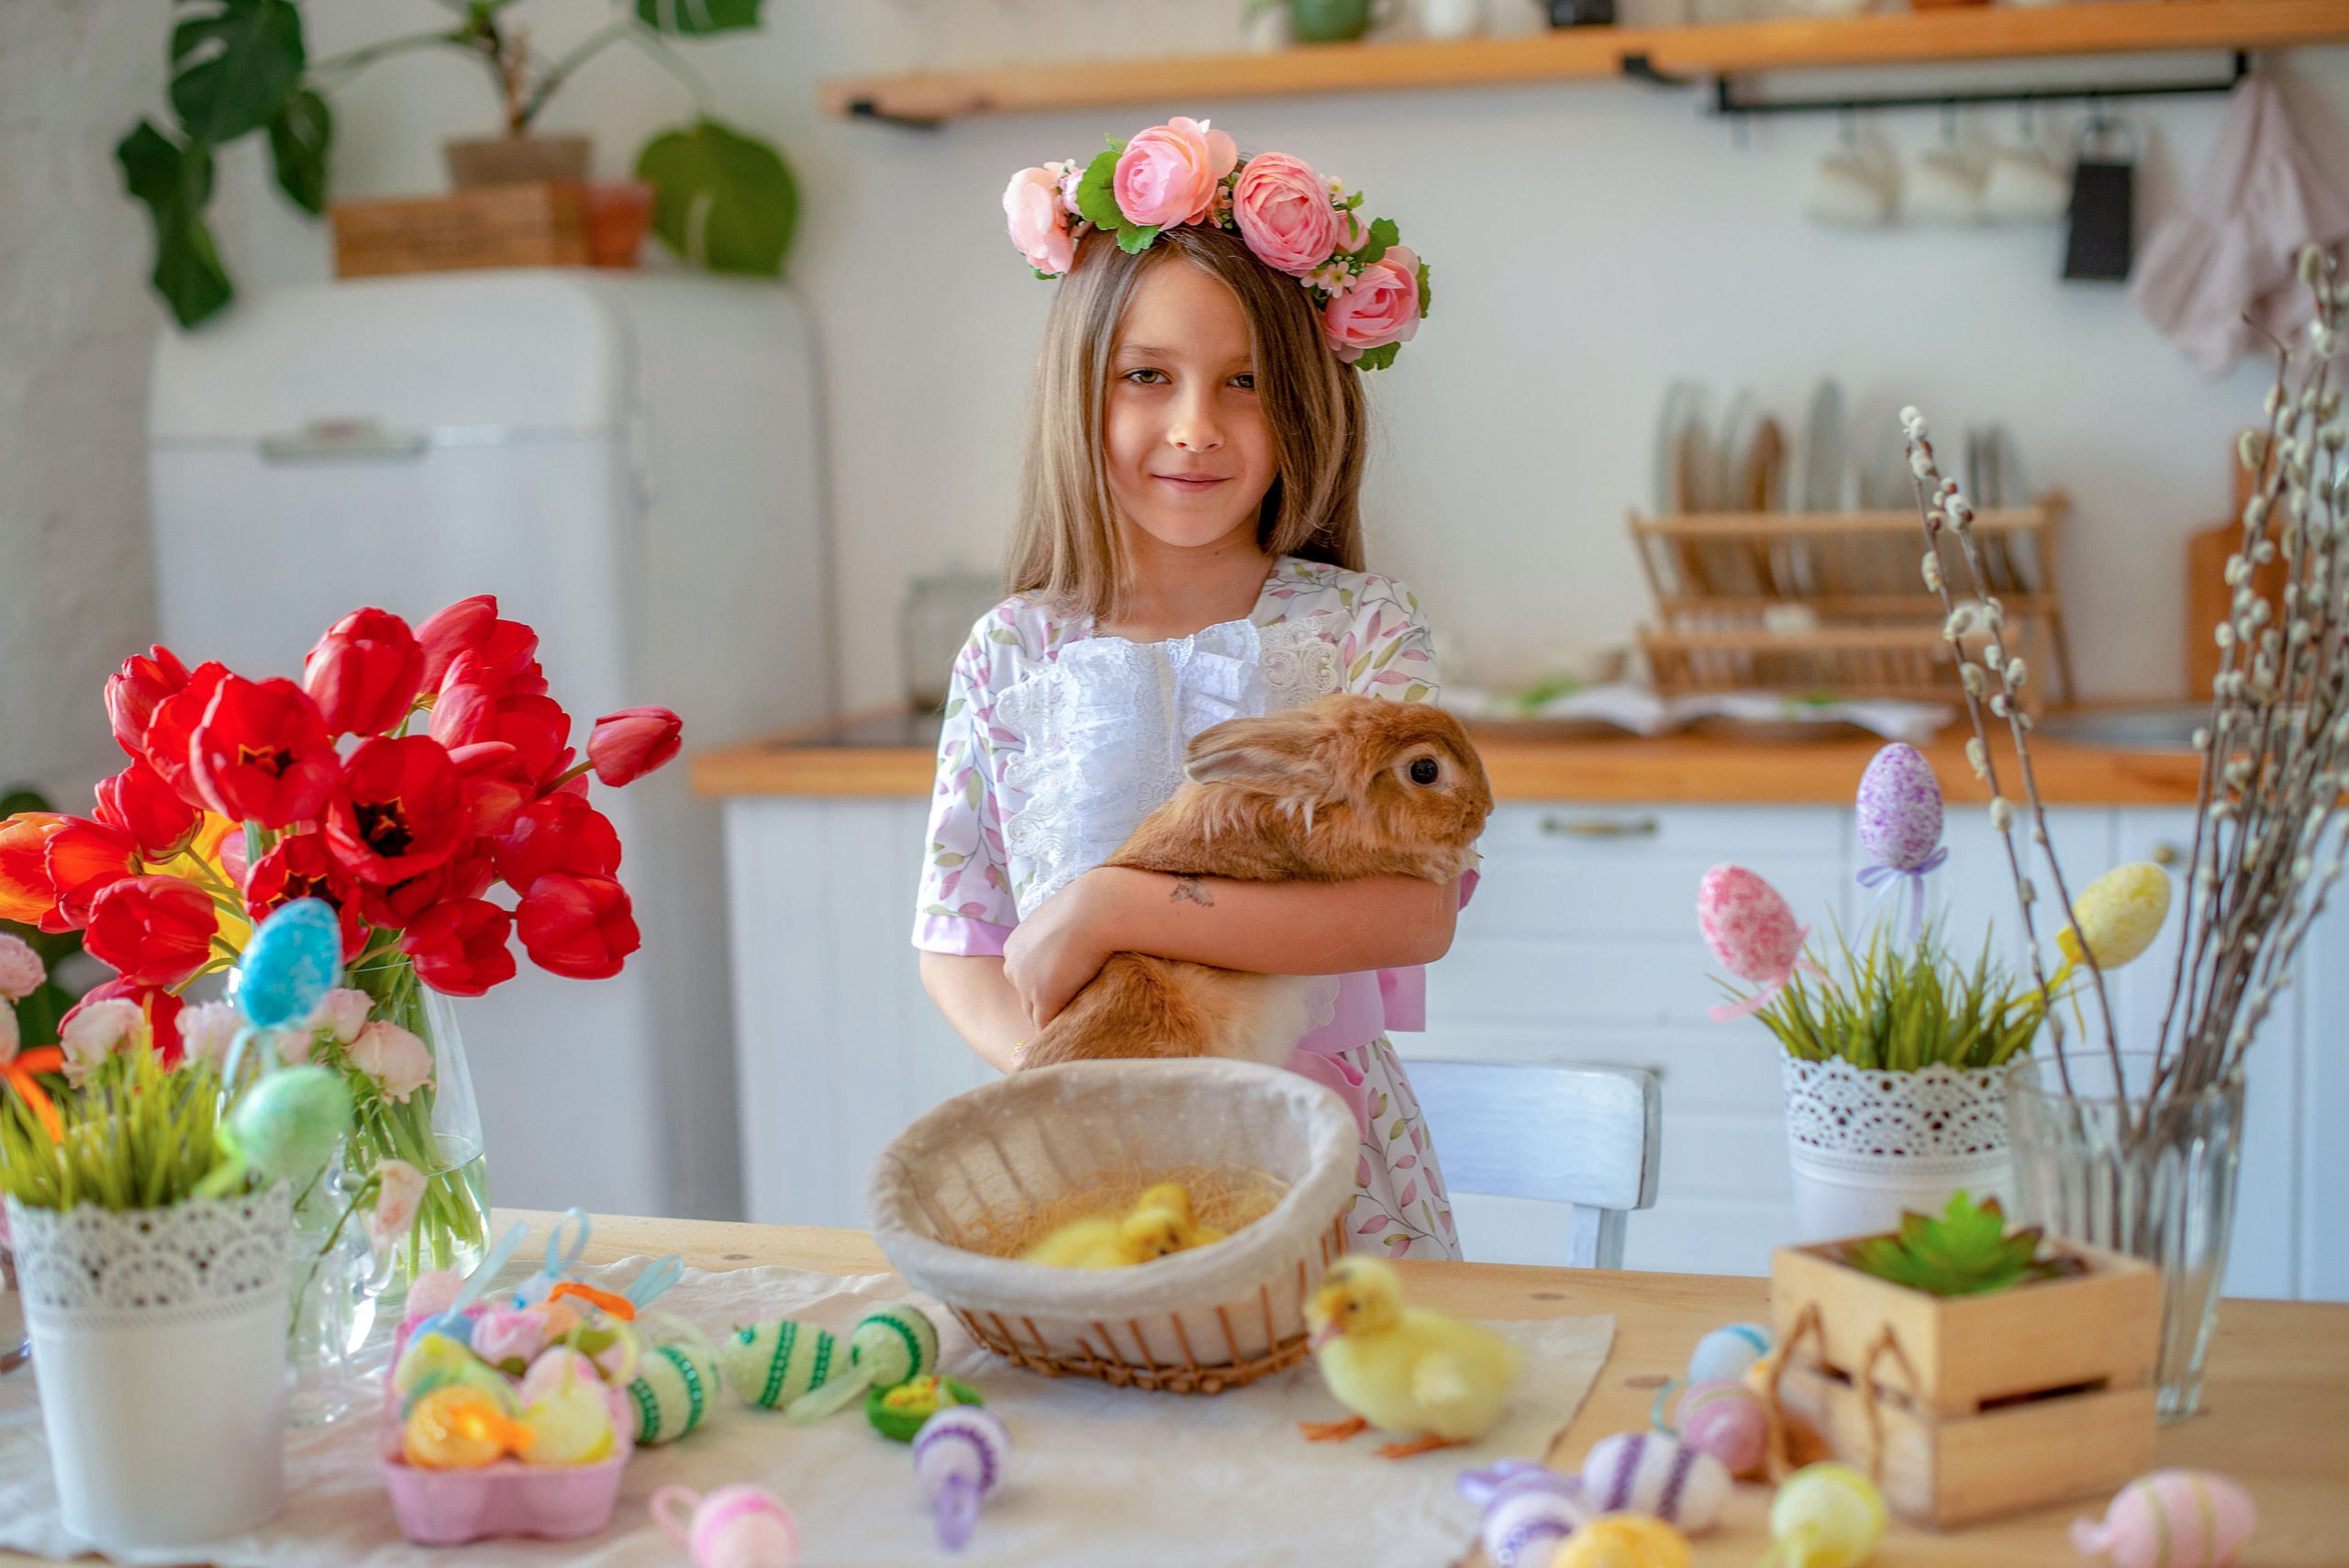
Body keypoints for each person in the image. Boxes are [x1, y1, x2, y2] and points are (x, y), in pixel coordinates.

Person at [912, 117, 1461, 1259]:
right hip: (1089, 1154)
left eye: (1245, 383)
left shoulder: (1363, 630)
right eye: (1147, 378)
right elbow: (956, 939)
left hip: (1334, 1159)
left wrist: (1121, 906)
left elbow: (1415, 911)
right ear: (1081, 390)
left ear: (1305, 400)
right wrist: (1096, 1085)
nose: (1195, 428)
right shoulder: (1010, 649)